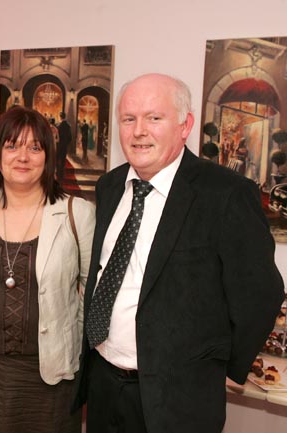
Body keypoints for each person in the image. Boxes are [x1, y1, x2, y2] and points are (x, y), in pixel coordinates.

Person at [72, 73, 284, 433]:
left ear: (185, 125)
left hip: (180, 399)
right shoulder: (110, 186)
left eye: (154, 118)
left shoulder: (226, 194)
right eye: (129, 119)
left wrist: (228, 367)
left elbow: (261, 295)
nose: (139, 131)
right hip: (103, 382)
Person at [0, 106, 95, 433]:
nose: (23, 156)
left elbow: (91, 297)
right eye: (12, 145)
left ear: (48, 156)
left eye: (35, 147)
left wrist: (69, 346)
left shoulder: (78, 214)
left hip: (47, 376)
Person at [56, 111, 71, 180]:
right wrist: (66, 143)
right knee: (62, 160)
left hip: (59, 145)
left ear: (60, 117)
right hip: (64, 145)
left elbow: (57, 136)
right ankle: (62, 175)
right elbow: (70, 137)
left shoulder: (59, 126)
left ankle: (58, 174)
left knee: (57, 159)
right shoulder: (68, 126)